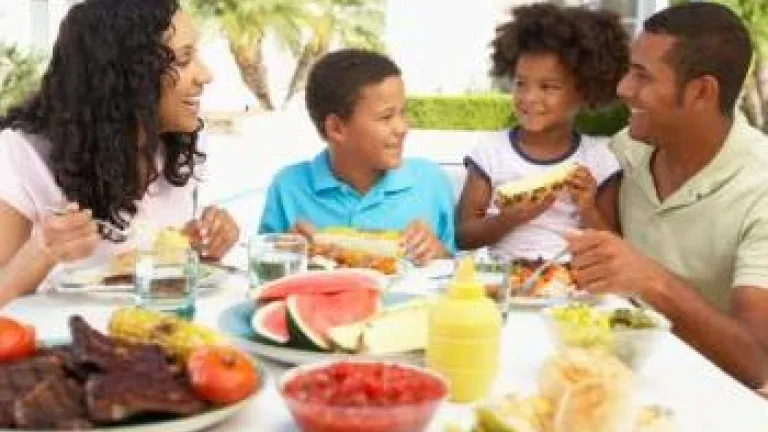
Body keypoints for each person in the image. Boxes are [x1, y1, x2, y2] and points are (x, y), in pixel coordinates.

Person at [564, 2, 768, 389]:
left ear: (701, 92)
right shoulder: (629, 149)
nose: (623, 89)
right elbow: (609, 254)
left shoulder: (761, 189)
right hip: (621, 373)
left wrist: (652, 281)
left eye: (642, 76)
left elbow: (758, 362)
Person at [0, 0, 240, 307]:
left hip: (152, 338)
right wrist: (43, 250)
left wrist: (200, 245)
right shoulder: (23, 154)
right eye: (183, 60)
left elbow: (152, 269)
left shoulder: (179, 146)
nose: (205, 75)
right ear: (128, 75)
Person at [456, 4, 629, 261]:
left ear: (584, 91)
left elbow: (614, 246)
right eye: (520, 84)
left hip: (573, 287)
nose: (529, 98)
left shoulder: (598, 159)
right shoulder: (491, 152)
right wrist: (510, 219)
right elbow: (463, 236)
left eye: (548, 87)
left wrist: (587, 208)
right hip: (506, 285)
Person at [258, 49, 455, 265]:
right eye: (386, 117)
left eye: (402, 113)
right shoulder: (288, 187)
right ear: (336, 128)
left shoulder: (431, 182)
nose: (402, 127)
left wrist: (439, 254)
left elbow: (457, 272)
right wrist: (287, 253)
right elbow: (263, 270)